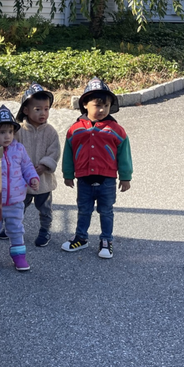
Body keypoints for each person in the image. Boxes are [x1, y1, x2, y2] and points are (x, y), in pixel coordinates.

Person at [61, 78, 132, 259]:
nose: (102, 110)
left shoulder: (116, 129)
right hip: (84, 179)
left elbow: (124, 155)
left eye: (106, 106)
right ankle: (81, 238)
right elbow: (68, 153)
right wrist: (68, 174)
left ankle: (106, 240)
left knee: (106, 211)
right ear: (85, 104)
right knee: (84, 210)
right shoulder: (75, 129)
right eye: (97, 105)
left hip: (107, 180)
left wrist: (125, 177)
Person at [0, 105, 39, 271]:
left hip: (16, 201)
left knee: (16, 229)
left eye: (10, 132)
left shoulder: (18, 149)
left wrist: (32, 177)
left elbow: (27, 166)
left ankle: (19, 256)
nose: (7, 136)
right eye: (2, 132)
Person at [14, 83, 61, 247]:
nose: (43, 113)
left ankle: (45, 231)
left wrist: (43, 166)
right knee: (18, 207)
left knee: (45, 209)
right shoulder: (18, 131)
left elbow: (54, 152)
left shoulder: (50, 132)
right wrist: (21, 170)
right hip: (22, 181)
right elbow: (13, 152)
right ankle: (13, 228)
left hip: (44, 180)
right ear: (26, 110)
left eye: (46, 109)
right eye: (38, 109)